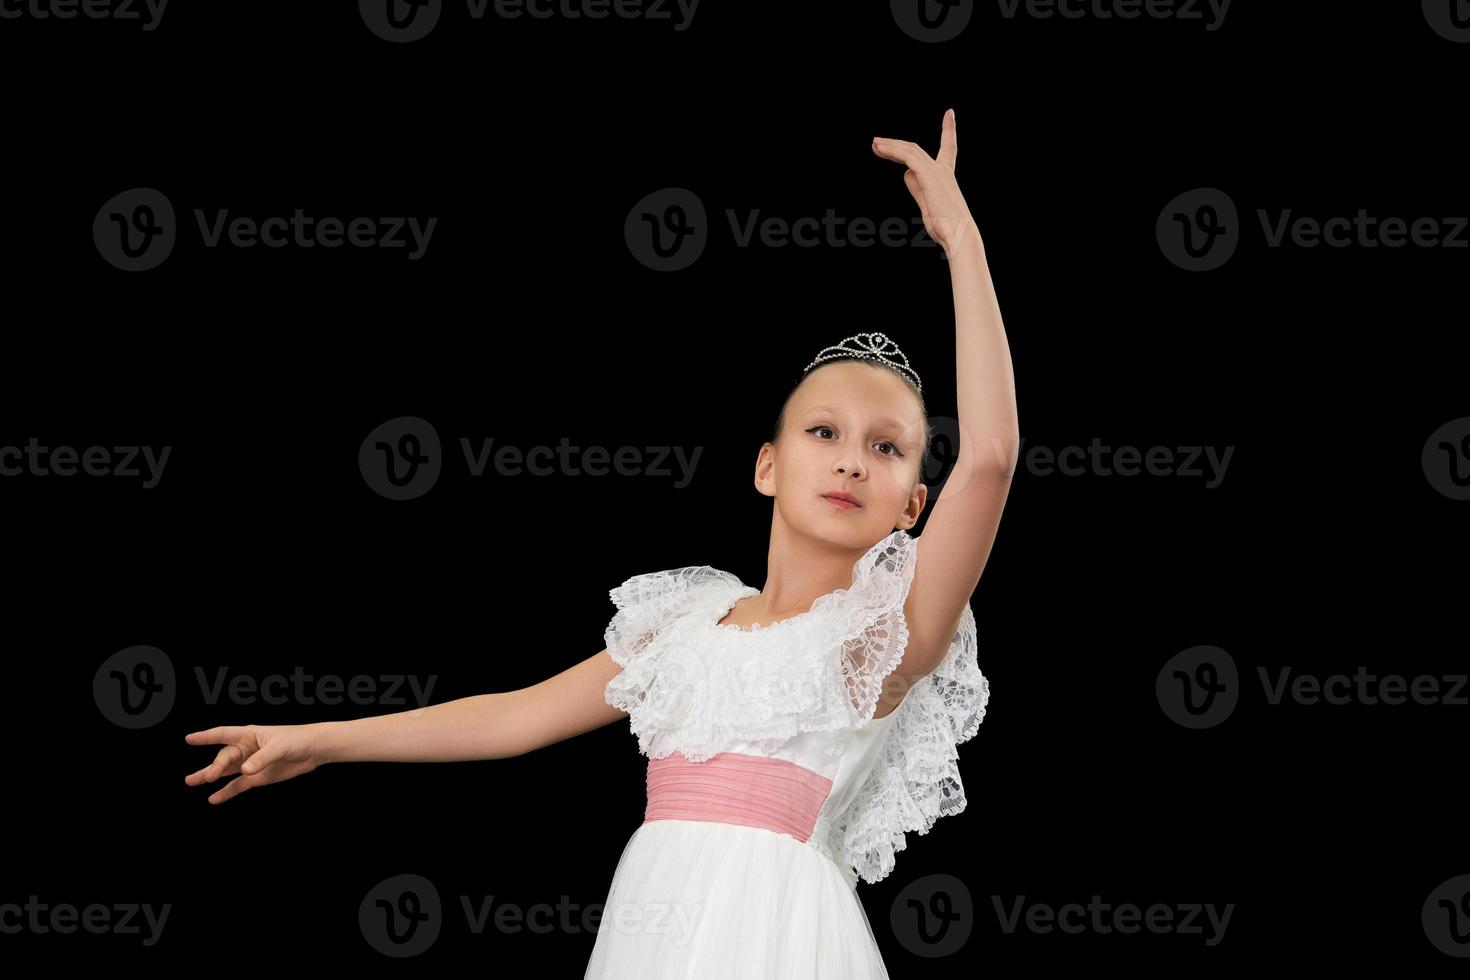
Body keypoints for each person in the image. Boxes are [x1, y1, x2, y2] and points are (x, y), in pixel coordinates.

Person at [183, 107, 1018, 978]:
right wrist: (318, 740)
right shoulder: (686, 624)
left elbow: (991, 458)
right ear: (766, 466)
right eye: (823, 432)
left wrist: (960, 239)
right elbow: (514, 716)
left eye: (886, 448)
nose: (851, 461)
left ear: (914, 503)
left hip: (781, 938)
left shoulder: (880, 640)